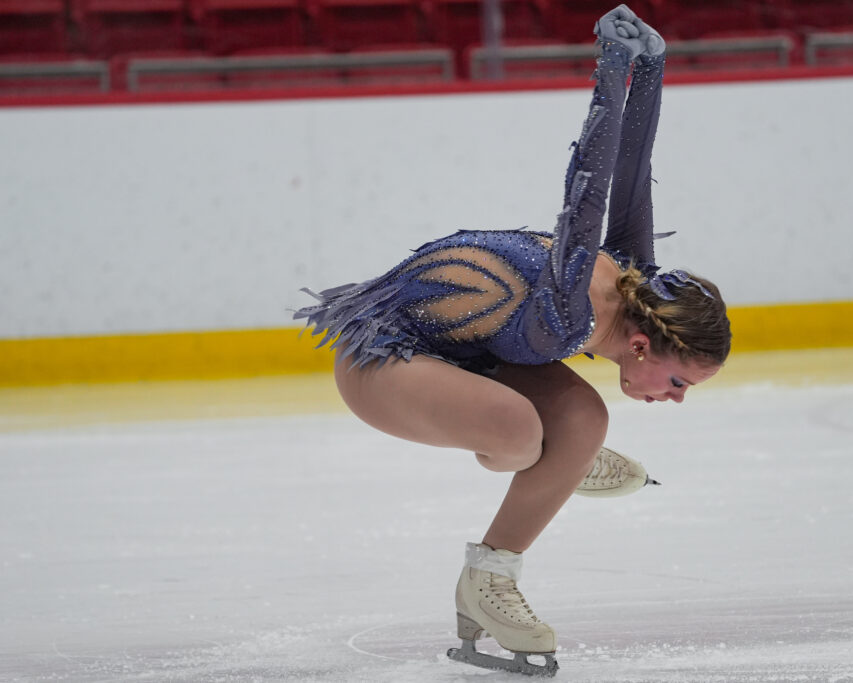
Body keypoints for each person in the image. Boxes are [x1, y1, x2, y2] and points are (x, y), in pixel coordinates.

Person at [293, 4, 731, 675]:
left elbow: (634, 171)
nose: (675, 398)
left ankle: (522, 529)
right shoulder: (571, 307)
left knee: (583, 417)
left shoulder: (634, 280)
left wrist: (653, 67)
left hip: (469, 352)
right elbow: (588, 180)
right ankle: (527, 510)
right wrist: (615, 64)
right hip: (383, 357)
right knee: (523, 433)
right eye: (679, 382)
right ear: (643, 347)